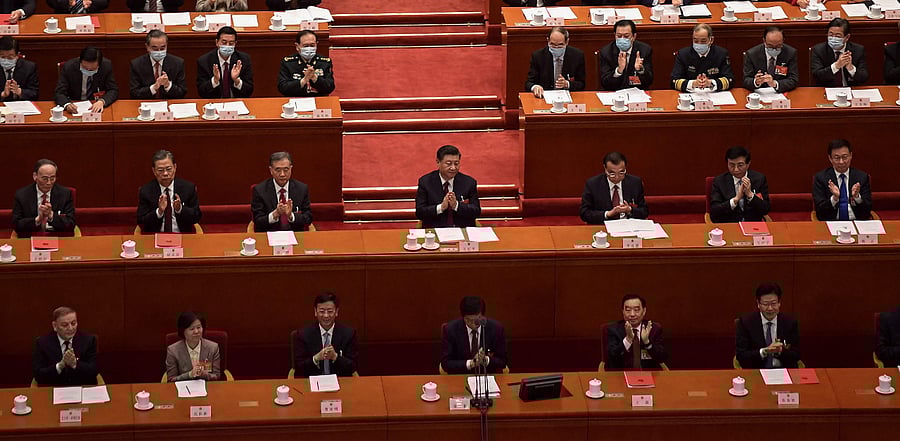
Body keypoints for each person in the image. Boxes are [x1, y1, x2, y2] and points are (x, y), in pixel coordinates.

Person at [735, 282, 801, 369]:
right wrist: (764, 351)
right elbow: (741, 355)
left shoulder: (790, 323)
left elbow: (797, 355)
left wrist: (781, 351)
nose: (770, 308)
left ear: (779, 303)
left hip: (783, 372)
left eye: (773, 303)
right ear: (758, 304)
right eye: (765, 304)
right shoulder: (745, 323)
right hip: (757, 372)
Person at [293, 292, 359, 377]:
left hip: (340, 381)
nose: (326, 315)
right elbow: (298, 368)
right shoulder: (302, 334)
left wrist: (335, 357)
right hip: (312, 381)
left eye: (330, 311)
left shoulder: (349, 334)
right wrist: (316, 358)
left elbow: (353, 366)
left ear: (336, 312)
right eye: (322, 311)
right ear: (315, 312)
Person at [415, 144, 481, 228]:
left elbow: (476, 211)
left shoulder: (469, 182)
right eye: (448, 164)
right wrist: (441, 207)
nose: (453, 168)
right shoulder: (426, 182)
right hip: (435, 231)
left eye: (456, 163)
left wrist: (456, 205)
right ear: (438, 162)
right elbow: (420, 213)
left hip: (462, 231)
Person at [137, 149, 202, 233]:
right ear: (154, 171)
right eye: (160, 170)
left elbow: (197, 217)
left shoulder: (188, 188)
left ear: (175, 167)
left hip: (182, 236)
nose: (165, 173)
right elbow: (141, 220)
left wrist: (180, 209)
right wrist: (159, 212)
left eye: (168, 169)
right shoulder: (146, 191)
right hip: (155, 237)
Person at [441, 296, 508, 375]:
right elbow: (446, 363)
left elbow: (503, 361)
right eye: (469, 320)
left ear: (482, 315)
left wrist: (486, 360)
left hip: (488, 377)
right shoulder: (450, 330)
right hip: (460, 376)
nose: (473, 324)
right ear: (463, 317)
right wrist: (471, 363)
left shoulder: (496, 329)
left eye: (477, 320)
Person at [32, 306, 98, 386]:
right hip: (54, 389)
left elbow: (94, 370)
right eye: (65, 325)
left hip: (81, 389)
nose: (70, 328)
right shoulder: (42, 343)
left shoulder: (89, 340)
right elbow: (38, 375)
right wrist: (60, 366)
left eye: (73, 323)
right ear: (55, 326)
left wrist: (75, 364)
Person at [12, 159, 76, 238]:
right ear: (35, 176)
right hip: (31, 237)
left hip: (57, 236)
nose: (49, 183)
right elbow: (16, 224)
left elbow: (71, 224)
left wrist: (51, 215)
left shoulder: (65, 194)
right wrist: (37, 220)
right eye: (45, 178)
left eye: (52, 178)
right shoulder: (22, 195)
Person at [580, 151, 649, 224]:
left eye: (621, 173)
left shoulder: (635, 183)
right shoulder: (593, 184)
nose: (617, 177)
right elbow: (584, 213)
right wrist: (608, 214)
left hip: (629, 226)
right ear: (605, 168)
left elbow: (644, 211)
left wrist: (629, 210)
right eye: (612, 173)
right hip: (603, 227)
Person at [251, 151, 312, 232]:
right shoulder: (259, 190)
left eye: (286, 169)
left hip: (295, 235)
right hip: (269, 234)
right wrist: (275, 214)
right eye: (278, 170)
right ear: (271, 170)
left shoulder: (302, 189)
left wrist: (291, 216)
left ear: (291, 169)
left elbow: (308, 218)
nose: (282, 174)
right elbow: (257, 220)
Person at [813, 139, 871, 221]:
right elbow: (820, 211)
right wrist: (834, 198)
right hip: (832, 223)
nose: (841, 162)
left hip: (856, 222)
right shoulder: (821, 178)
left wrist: (857, 197)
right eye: (837, 158)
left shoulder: (862, 177)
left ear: (851, 156)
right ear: (830, 158)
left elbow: (867, 211)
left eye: (845, 157)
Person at [606, 294, 668, 370]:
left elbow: (662, 358)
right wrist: (628, 340)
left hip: (649, 375)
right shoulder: (613, 330)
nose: (632, 314)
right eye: (628, 310)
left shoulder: (654, 329)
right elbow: (611, 358)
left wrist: (647, 342)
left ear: (644, 311)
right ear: (622, 311)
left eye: (636, 310)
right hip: (621, 376)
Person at [709, 146, 770, 223]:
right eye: (731, 165)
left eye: (740, 165)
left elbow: (765, 209)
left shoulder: (759, 179)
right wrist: (735, 199)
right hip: (729, 226)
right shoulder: (719, 181)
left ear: (748, 164)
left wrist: (750, 195)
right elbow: (714, 213)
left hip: (752, 226)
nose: (736, 169)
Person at [525, 26, 585, 99]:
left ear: (567, 42)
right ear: (548, 41)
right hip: (544, 97)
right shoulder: (538, 56)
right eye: (552, 44)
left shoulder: (577, 56)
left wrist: (567, 84)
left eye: (560, 45)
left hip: (568, 98)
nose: (556, 48)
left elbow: (582, 84)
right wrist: (535, 87)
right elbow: (529, 83)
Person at [55, 46, 118, 114]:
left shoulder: (106, 66)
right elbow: (59, 92)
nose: (88, 70)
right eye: (84, 67)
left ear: (99, 65)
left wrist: (102, 101)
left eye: (92, 69)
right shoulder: (69, 67)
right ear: (80, 61)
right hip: (75, 106)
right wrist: (67, 104)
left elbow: (113, 90)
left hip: (96, 106)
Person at [671, 24, 733, 92]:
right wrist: (693, 84)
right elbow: (674, 81)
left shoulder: (721, 54)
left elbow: (729, 80)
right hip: (691, 94)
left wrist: (710, 83)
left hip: (714, 94)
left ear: (711, 40)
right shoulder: (683, 54)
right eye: (696, 41)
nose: (699, 44)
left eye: (703, 41)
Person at [197, 26, 254, 99]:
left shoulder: (243, 60)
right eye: (224, 42)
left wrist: (237, 81)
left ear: (235, 44)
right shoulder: (204, 61)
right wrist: (214, 81)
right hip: (214, 103)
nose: (227, 46)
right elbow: (201, 92)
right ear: (217, 42)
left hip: (236, 102)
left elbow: (249, 91)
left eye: (231, 43)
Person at [129, 30, 187, 99]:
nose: (159, 52)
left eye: (162, 48)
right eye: (155, 49)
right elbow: (134, 93)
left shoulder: (177, 63)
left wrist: (168, 85)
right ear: (147, 47)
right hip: (146, 105)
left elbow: (182, 92)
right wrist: (153, 88)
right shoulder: (137, 64)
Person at [811, 18, 868, 87]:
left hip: (850, 90)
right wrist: (836, 66)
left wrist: (851, 68)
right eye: (831, 34)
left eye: (838, 36)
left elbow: (864, 78)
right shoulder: (818, 50)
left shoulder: (858, 50)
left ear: (847, 37)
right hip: (827, 90)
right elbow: (817, 76)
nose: (833, 38)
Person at [165, 311, 221, 382]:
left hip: (207, 388)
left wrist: (204, 374)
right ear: (183, 331)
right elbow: (171, 379)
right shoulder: (173, 350)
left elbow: (217, 376)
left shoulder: (213, 348)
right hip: (183, 389)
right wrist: (189, 374)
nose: (196, 331)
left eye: (199, 327)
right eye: (192, 329)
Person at [598, 20, 654, 91]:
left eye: (626, 36)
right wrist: (618, 71)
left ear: (634, 36)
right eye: (619, 36)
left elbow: (649, 81)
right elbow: (604, 82)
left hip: (637, 93)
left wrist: (640, 70)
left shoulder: (644, 50)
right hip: (614, 93)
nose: (622, 39)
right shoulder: (606, 52)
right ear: (614, 35)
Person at [742, 26, 799, 92]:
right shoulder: (752, 54)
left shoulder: (790, 53)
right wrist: (756, 82)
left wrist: (774, 83)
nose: (774, 49)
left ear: (783, 41)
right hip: (759, 93)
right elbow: (746, 80)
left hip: (781, 93)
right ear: (764, 41)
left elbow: (793, 80)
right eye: (770, 46)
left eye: (778, 46)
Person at [278, 30, 334, 97]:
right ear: (297, 46)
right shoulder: (288, 63)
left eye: (312, 45)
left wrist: (315, 78)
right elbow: (282, 88)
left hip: (318, 100)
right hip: (295, 99)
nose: (309, 48)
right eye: (305, 46)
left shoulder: (324, 62)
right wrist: (303, 80)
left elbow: (330, 87)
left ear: (317, 44)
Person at [0, 36, 38, 102]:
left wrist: (19, 91)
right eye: (3, 57)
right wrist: (3, 94)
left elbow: (35, 93)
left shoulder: (29, 67)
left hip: (21, 107)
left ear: (17, 55)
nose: (6, 60)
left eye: (10, 57)